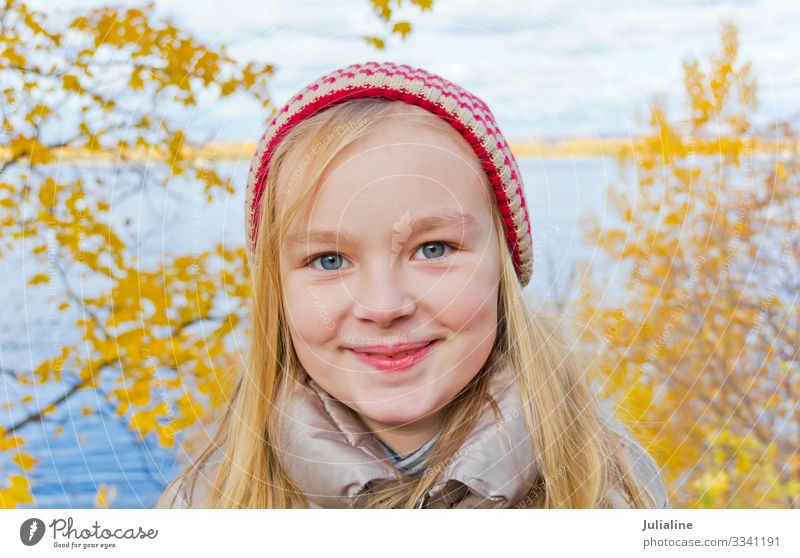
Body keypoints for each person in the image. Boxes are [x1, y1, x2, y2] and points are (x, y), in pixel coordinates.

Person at [157, 61, 670, 509]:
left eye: (433, 250)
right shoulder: (208, 505)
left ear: (504, 268)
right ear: (278, 293)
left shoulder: (608, 490)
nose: (383, 306)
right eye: (329, 259)